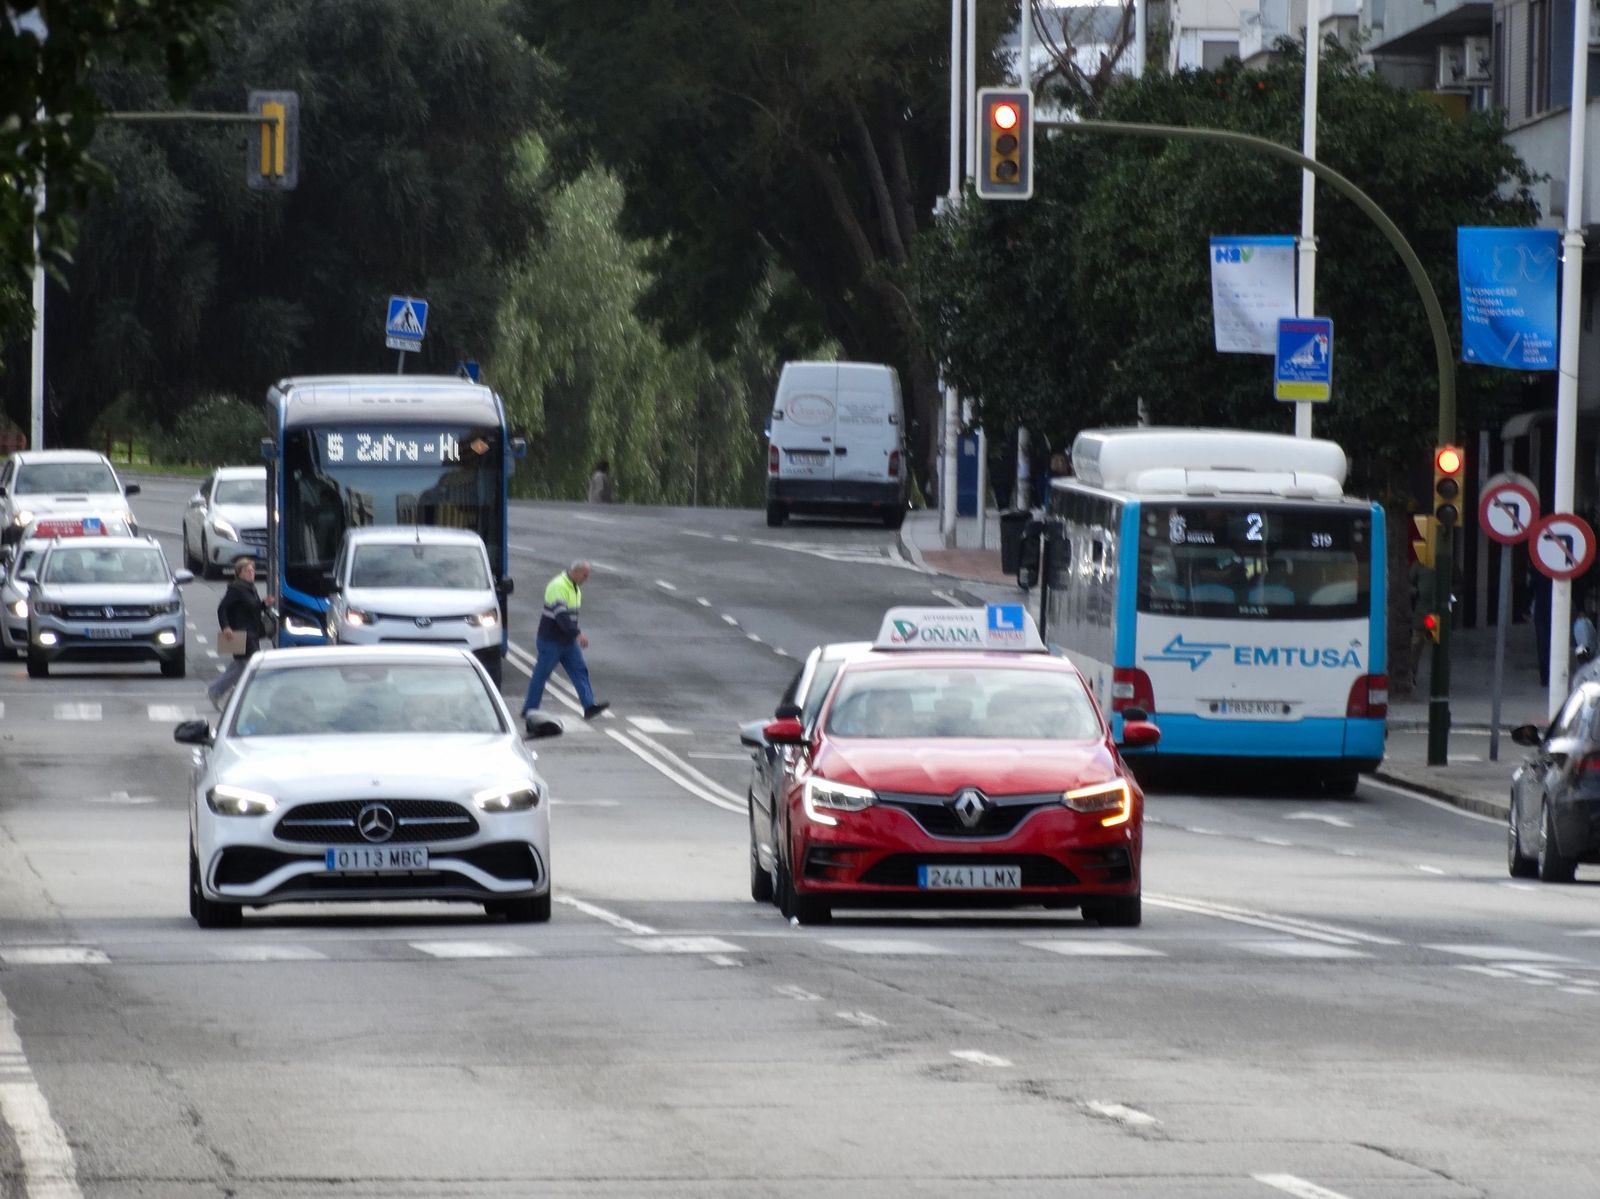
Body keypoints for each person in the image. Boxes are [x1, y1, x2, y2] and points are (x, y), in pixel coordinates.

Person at [522, 560, 609, 720]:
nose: (586, 579)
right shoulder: (558, 586)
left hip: (567, 641)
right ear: (575, 572)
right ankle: (529, 708)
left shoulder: (574, 588)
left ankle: (589, 706)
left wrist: (573, 635)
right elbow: (561, 615)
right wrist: (577, 634)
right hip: (551, 640)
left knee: (580, 671)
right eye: (584, 575)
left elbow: (570, 617)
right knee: (541, 675)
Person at [207, 556, 269, 710]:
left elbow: (251, 608)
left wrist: (263, 604)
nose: (251, 573)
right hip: (241, 634)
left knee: (241, 666)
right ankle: (228, 694)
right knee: (249, 666)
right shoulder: (236, 589)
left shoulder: (250, 588)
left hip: (251, 633)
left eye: (253, 570)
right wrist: (226, 627)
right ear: (239, 572)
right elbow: (223, 609)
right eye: (247, 571)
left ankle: (219, 691)